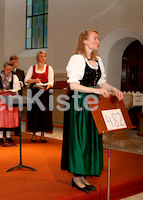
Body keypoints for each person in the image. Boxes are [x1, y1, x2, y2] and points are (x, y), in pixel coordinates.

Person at [60, 29, 123, 193]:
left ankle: (83, 176)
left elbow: (101, 82)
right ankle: (76, 178)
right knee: (80, 139)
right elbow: (73, 85)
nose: (98, 41)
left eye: (98, 38)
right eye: (95, 38)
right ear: (85, 41)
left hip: (93, 105)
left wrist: (114, 89)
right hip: (80, 104)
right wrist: (94, 91)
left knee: (91, 140)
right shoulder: (76, 59)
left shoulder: (98, 60)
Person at [25, 51, 54, 143]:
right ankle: (33, 134)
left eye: (45, 56)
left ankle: (42, 134)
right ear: (38, 58)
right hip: (34, 94)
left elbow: (51, 82)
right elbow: (26, 80)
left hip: (45, 94)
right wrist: (34, 80)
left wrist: (46, 87)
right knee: (34, 113)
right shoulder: (32, 68)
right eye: (41, 56)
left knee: (44, 113)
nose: (43, 58)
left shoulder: (49, 68)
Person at [0, 61, 21, 143]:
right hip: (0, 99)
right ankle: (0, 136)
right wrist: (1, 90)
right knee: (1, 118)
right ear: (4, 68)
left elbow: (16, 89)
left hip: (10, 99)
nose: (9, 71)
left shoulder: (14, 77)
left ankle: (8, 136)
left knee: (9, 117)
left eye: (10, 69)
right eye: (7, 69)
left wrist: (13, 91)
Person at [10, 55, 25, 136]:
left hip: (18, 95)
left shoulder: (21, 72)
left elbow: (24, 83)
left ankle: (17, 131)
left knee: (18, 114)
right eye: (13, 63)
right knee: (9, 113)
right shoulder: (7, 71)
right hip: (10, 95)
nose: (15, 64)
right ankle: (7, 130)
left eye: (16, 62)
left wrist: (21, 83)